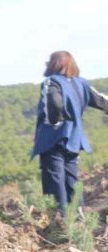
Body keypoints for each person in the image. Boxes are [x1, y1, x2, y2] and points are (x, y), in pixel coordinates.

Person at [32, 50, 108, 215]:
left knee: (54, 179)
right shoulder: (82, 84)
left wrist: (55, 121)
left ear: (55, 64)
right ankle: (78, 216)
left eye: (49, 61)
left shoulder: (51, 82)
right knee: (71, 178)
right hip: (74, 138)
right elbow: (103, 101)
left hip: (51, 139)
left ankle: (60, 219)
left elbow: (54, 103)